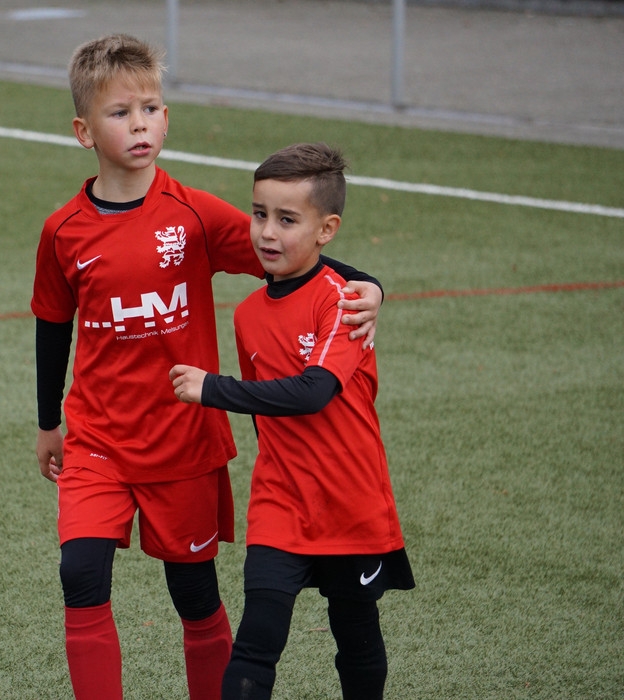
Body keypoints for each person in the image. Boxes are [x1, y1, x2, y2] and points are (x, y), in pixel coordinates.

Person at [31, 37, 385, 700]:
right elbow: (53, 326)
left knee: (193, 593)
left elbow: (295, 259)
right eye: (120, 113)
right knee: (80, 574)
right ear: (84, 131)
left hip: (184, 443)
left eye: (150, 108)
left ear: (166, 119)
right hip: (97, 439)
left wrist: (372, 287)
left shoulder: (193, 215)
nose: (139, 124)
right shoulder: (63, 231)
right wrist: (49, 422)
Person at [169, 142, 414, 700]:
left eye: (286, 220)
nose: (267, 233)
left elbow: (314, 392)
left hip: (349, 502)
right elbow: (267, 413)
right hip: (280, 502)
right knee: (257, 641)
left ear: (327, 229)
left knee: (355, 632)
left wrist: (213, 389)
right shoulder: (247, 314)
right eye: (259, 214)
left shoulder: (343, 302)